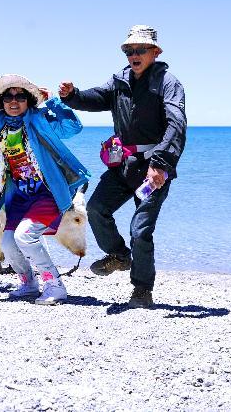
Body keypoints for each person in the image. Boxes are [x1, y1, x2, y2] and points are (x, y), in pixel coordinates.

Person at [59, 25, 186, 308]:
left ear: (155, 52)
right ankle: (118, 255)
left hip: (154, 169)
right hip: (124, 165)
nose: (134, 54)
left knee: (141, 230)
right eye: (129, 50)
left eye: (140, 49)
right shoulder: (120, 80)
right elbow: (97, 98)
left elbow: (176, 124)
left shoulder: (168, 82)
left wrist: (161, 164)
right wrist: (72, 95)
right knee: (95, 209)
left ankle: (142, 291)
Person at [0, 74, 91, 305]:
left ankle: (55, 285)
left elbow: (72, 127)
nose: (14, 100)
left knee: (25, 236)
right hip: (18, 197)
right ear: (0, 102)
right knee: (7, 243)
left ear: (29, 100)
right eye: (8, 96)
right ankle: (28, 283)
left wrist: (53, 103)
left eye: (20, 95)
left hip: (46, 193)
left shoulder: (41, 122)